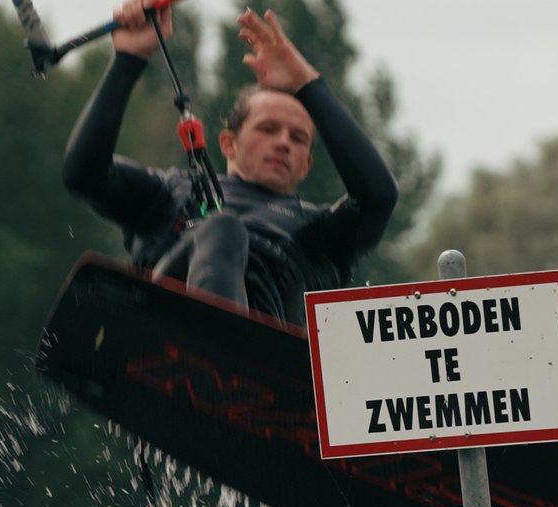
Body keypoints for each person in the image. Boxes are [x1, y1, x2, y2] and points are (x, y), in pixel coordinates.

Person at [62, 3, 398, 325]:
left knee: (225, 228)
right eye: (268, 129)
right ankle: (214, 343)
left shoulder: (320, 233)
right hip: (164, 333)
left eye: (298, 139)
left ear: (307, 164)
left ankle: (231, 350)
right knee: (222, 229)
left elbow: (379, 197)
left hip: (264, 358)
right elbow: (84, 174)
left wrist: (305, 83)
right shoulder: (169, 195)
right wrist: (129, 59)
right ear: (228, 143)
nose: (283, 142)